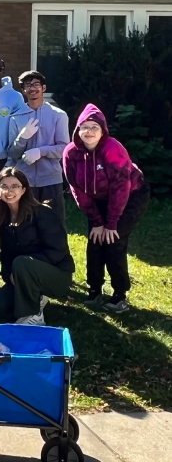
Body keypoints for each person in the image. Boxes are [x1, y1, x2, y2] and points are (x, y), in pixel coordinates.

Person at [63, 104, 150, 313]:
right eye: (84, 127)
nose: (89, 131)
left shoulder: (113, 149)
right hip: (96, 200)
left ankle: (120, 294)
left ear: (103, 130)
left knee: (114, 240)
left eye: (94, 127)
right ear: (78, 130)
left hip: (131, 195)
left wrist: (111, 224)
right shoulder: (70, 153)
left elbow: (121, 189)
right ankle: (94, 289)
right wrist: (97, 221)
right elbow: (77, 189)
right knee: (95, 240)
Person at [0, 167, 74, 325]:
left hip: (57, 274)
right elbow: (5, 254)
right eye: (4, 186)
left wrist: (25, 268)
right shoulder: (3, 218)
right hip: (22, 273)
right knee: (1, 304)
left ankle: (33, 315)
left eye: (14, 186)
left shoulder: (42, 213)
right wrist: (9, 273)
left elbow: (58, 251)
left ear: (23, 190)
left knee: (22, 262)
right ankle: (37, 297)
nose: (9, 191)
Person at [5, 70, 70, 227]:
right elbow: (12, 153)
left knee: (54, 225)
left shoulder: (58, 115)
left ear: (44, 88)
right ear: (23, 90)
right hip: (23, 181)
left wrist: (41, 151)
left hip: (50, 179)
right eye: (28, 85)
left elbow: (65, 149)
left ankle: (57, 252)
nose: (32, 88)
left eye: (36, 84)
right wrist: (23, 138)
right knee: (26, 225)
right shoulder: (16, 117)